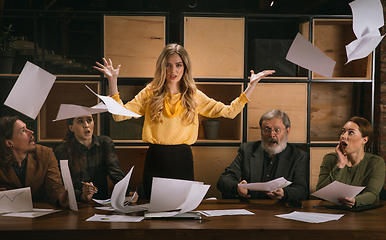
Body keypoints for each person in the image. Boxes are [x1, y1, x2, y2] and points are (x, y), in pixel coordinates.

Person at [94, 43, 275, 198]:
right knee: (153, 214)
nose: (173, 70)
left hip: (182, 160)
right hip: (155, 159)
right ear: (161, 67)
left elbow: (230, 112)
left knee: (180, 215)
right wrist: (112, 80)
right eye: (168, 65)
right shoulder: (150, 92)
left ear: (185, 67)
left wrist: (251, 86)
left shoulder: (194, 95)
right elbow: (118, 115)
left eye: (178, 65)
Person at [0, 116, 68, 208]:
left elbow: (55, 187)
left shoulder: (45, 155)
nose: (31, 132)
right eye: (23, 131)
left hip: (42, 218)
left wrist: (61, 198)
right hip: (7, 221)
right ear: (9, 143)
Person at [217, 109, 309, 201]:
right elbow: (224, 180)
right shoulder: (247, 150)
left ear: (287, 131)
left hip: (280, 209)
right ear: (261, 131)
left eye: (277, 130)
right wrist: (237, 187)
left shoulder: (298, 156)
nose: (272, 135)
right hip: (249, 208)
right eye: (267, 129)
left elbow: (302, 190)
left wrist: (284, 194)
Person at [54, 115, 136, 202]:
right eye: (80, 121)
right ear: (71, 128)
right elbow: (63, 185)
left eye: (89, 120)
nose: (86, 125)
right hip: (77, 203)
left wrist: (128, 192)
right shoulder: (62, 151)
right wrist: (82, 195)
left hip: (102, 204)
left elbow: (115, 172)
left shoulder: (105, 143)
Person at [316, 116, 385, 208]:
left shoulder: (376, 162)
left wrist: (355, 201)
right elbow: (320, 192)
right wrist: (340, 165)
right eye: (343, 132)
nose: (344, 136)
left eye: (351, 133)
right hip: (333, 212)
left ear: (364, 140)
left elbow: (372, 193)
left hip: (365, 213)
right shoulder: (329, 159)